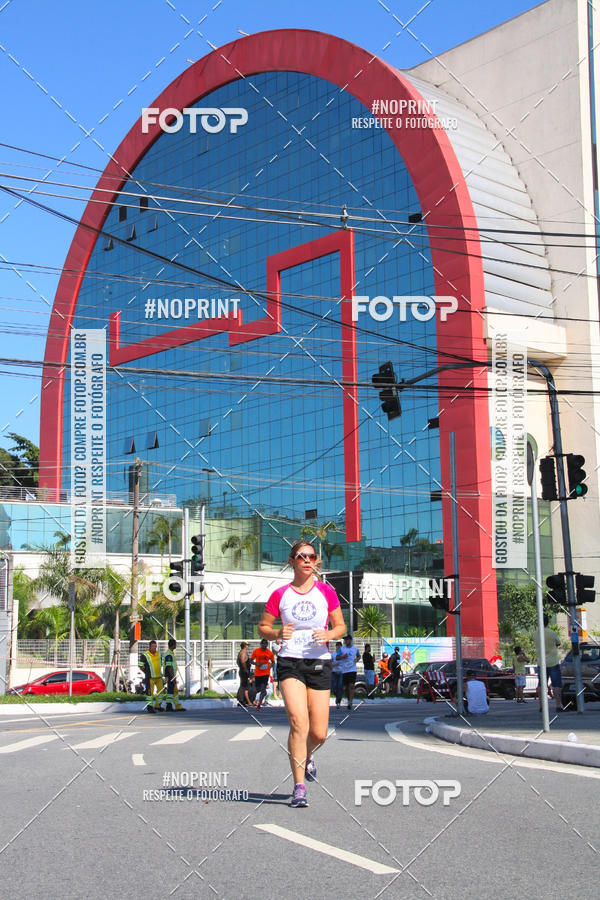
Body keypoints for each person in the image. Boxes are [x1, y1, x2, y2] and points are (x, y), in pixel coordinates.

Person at [258, 540, 346, 808]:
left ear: (316, 560)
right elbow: (263, 626)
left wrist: (329, 634)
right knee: (298, 722)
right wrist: (276, 632)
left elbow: (341, 626)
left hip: (319, 661)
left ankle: (307, 755)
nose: (307, 560)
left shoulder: (326, 592)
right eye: (301, 556)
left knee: (318, 733)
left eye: (311, 556)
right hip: (290, 662)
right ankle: (299, 787)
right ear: (292, 561)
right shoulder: (280, 594)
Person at [533, 614, 564, 711]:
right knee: (556, 684)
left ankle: (541, 706)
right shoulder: (552, 633)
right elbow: (558, 643)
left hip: (541, 662)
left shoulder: (535, 634)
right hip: (553, 661)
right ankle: (558, 705)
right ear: (547, 622)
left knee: (541, 684)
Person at [139, 639, 164, 712]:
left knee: (161, 692)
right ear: (149, 647)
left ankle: (158, 705)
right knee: (150, 693)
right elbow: (140, 665)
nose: (154, 648)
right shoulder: (145, 655)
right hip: (150, 677)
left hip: (159, 677)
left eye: (155, 647)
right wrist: (146, 672)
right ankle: (150, 707)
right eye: (153, 647)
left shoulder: (159, 654)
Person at [251, 638, 275, 709]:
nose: (264, 646)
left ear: (267, 645)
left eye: (265, 644)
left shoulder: (269, 652)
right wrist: (256, 664)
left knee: (263, 688)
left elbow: (273, 662)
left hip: (265, 673)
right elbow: (251, 660)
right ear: (261, 644)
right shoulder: (256, 651)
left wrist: (269, 667)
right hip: (258, 673)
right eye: (263, 644)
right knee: (258, 689)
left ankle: (259, 703)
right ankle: (262, 695)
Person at [338, 633, 360, 710]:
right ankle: (348, 699)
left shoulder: (355, 649)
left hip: (352, 669)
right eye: (345, 640)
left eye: (347, 639)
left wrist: (357, 659)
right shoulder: (342, 649)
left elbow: (358, 656)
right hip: (345, 670)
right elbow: (337, 657)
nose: (345, 641)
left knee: (351, 685)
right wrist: (342, 657)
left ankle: (350, 702)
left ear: (350, 640)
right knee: (345, 688)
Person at [163, 638, 185, 711]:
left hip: (171, 675)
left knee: (174, 691)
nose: (176, 646)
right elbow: (169, 667)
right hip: (170, 676)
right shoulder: (169, 655)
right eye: (175, 644)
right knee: (170, 691)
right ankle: (169, 706)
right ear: (173, 645)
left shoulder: (171, 653)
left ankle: (177, 706)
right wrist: (173, 677)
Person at [236, 641, 254, 707]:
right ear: (245, 646)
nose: (248, 646)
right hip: (244, 671)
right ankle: (241, 700)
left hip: (243, 671)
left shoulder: (242, 652)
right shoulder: (243, 653)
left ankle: (242, 700)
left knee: (244, 685)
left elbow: (238, 662)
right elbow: (242, 661)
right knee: (243, 686)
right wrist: (245, 669)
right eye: (247, 645)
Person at [331, 641, 344, 708]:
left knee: (340, 686)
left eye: (340, 646)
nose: (338, 647)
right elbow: (329, 663)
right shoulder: (333, 654)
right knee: (334, 686)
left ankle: (338, 700)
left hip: (341, 672)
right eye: (337, 646)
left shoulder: (343, 655)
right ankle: (337, 697)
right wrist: (334, 664)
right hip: (334, 672)